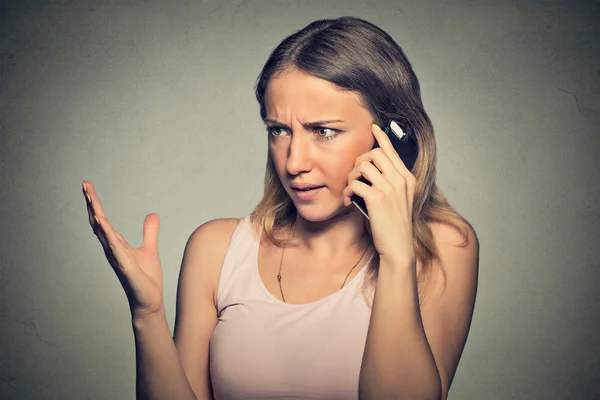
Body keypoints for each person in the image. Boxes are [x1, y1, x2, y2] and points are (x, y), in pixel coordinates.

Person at [82, 16, 479, 400]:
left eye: (324, 131)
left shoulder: (443, 247)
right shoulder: (217, 249)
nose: (293, 162)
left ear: (393, 139)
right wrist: (147, 314)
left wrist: (395, 255)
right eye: (279, 131)